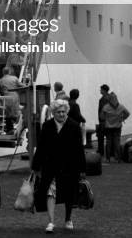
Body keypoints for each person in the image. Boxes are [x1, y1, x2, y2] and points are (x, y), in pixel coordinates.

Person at [32, 99, 86, 232]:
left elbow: (79, 149)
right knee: (50, 192)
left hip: (69, 166)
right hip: (51, 166)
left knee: (69, 193)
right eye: (59, 112)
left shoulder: (74, 126)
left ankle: (68, 219)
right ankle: (51, 222)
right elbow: (41, 147)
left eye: (64, 112)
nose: (62, 114)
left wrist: (82, 169)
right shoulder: (47, 126)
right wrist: (36, 166)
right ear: (53, 113)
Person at [101, 92, 130, 162]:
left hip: (108, 127)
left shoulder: (106, 107)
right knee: (117, 142)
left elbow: (101, 117)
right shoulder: (121, 106)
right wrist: (122, 118)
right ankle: (118, 158)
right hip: (117, 127)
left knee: (109, 142)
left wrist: (107, 118)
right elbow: (128, 113)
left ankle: (108, 158)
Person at [0, 67, 23, 133]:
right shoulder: (14, 78)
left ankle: (10, 128)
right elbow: (21, 85)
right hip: (14, 96)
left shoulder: (0, 80)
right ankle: (15, 124)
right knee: (15, 111)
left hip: (6, 97)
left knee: (8, 114)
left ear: (3, 72)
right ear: (9, 72)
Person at [97, 84, 110, 156]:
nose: (100, 91)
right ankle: (109, 152)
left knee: (101, 136)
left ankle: (101, 151)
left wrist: (101, 118)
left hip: (103, 120)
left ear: (104, 90)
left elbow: (102, 109)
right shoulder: (109, 98)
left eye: (101, 89)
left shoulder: (104, 99)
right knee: (109, 137)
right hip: (108, 120)